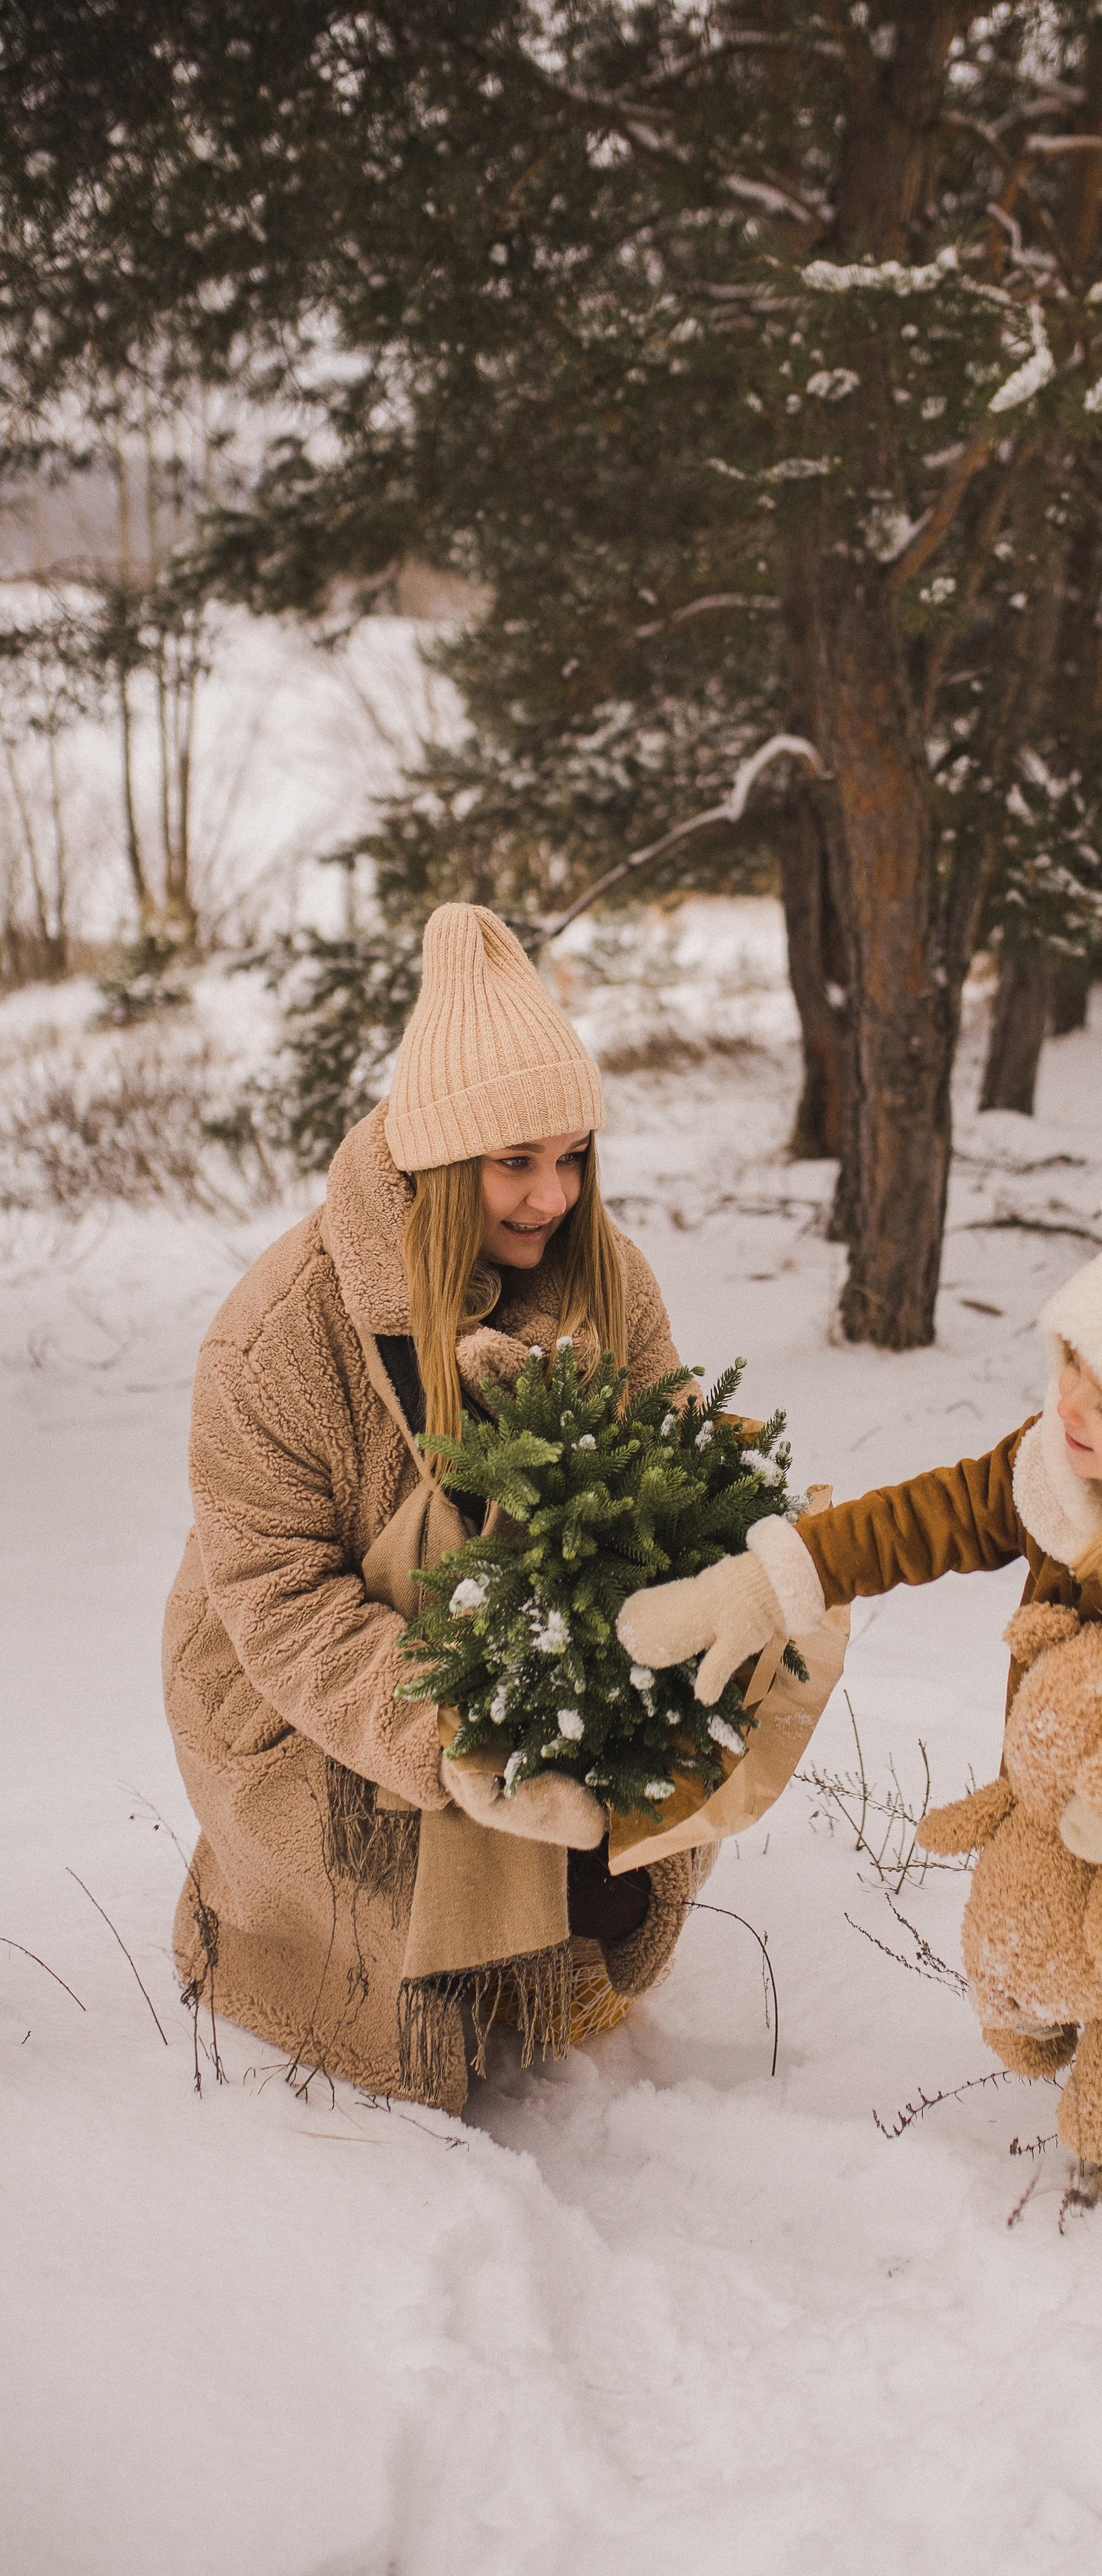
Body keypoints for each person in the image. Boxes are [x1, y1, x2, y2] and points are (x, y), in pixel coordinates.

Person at [620, 1175, 1102, 2221]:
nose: (1067, 1406)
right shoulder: (1061, 1468)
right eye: (1069, 1363)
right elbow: (923, 1520)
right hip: (1070, 1807)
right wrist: (776, 1578)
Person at [164, 902, 703, 2114]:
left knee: (613, 1871)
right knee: (404, 1968)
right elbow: (279, 1597)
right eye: (515, 1163)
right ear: (434, 1160)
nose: (553, 1195)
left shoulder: (610, 1282)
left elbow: (669, 1482)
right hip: (318, 1682)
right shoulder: (278, 1335)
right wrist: (458, 1737)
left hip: (536, 1643)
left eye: (572, 1156)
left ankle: (552, 1915)